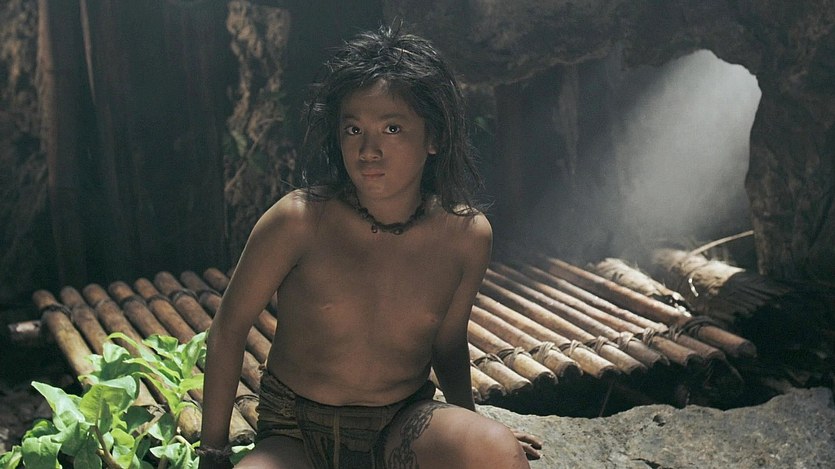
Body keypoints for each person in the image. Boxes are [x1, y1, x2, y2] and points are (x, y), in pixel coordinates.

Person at [198, 25, 543, 469]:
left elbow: (448, 343)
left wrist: (470, 434)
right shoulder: (299, 220)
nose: (368, 150)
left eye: (392, 128)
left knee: (496, 450)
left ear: (434, 138)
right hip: (295, 432)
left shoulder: (466, 235)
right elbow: (228, 329)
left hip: (399, 424)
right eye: (353, 129)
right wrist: (213, 452)